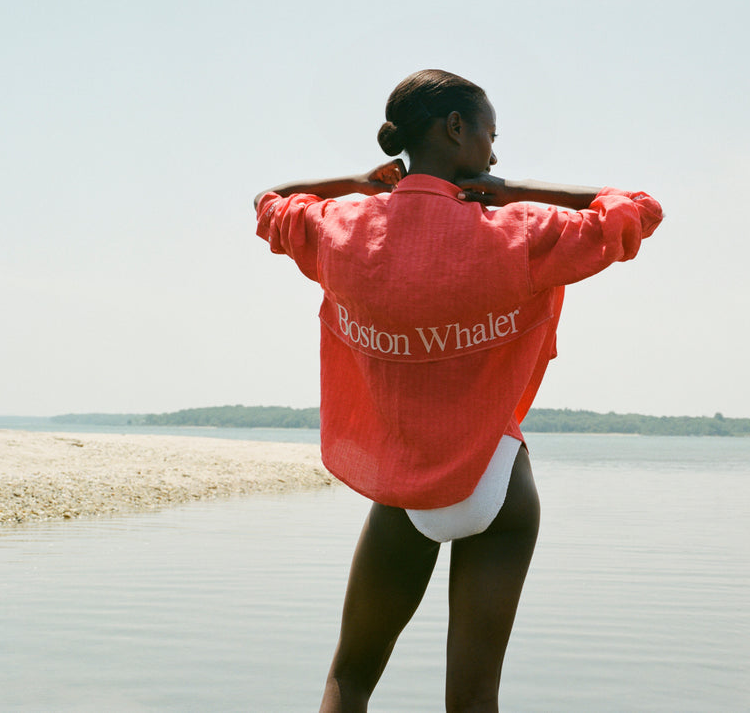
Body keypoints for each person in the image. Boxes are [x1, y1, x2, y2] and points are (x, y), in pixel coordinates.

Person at [254, 69, 663, 712]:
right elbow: (635, 209)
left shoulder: (345, 228)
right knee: (473, 699)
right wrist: (508, 191)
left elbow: (271, 203)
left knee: (351, 676)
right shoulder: (518, 231)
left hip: (404, 478)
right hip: (495, 480)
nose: (495, 154)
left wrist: (361, 183)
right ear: (455, 129)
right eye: (490, 137)